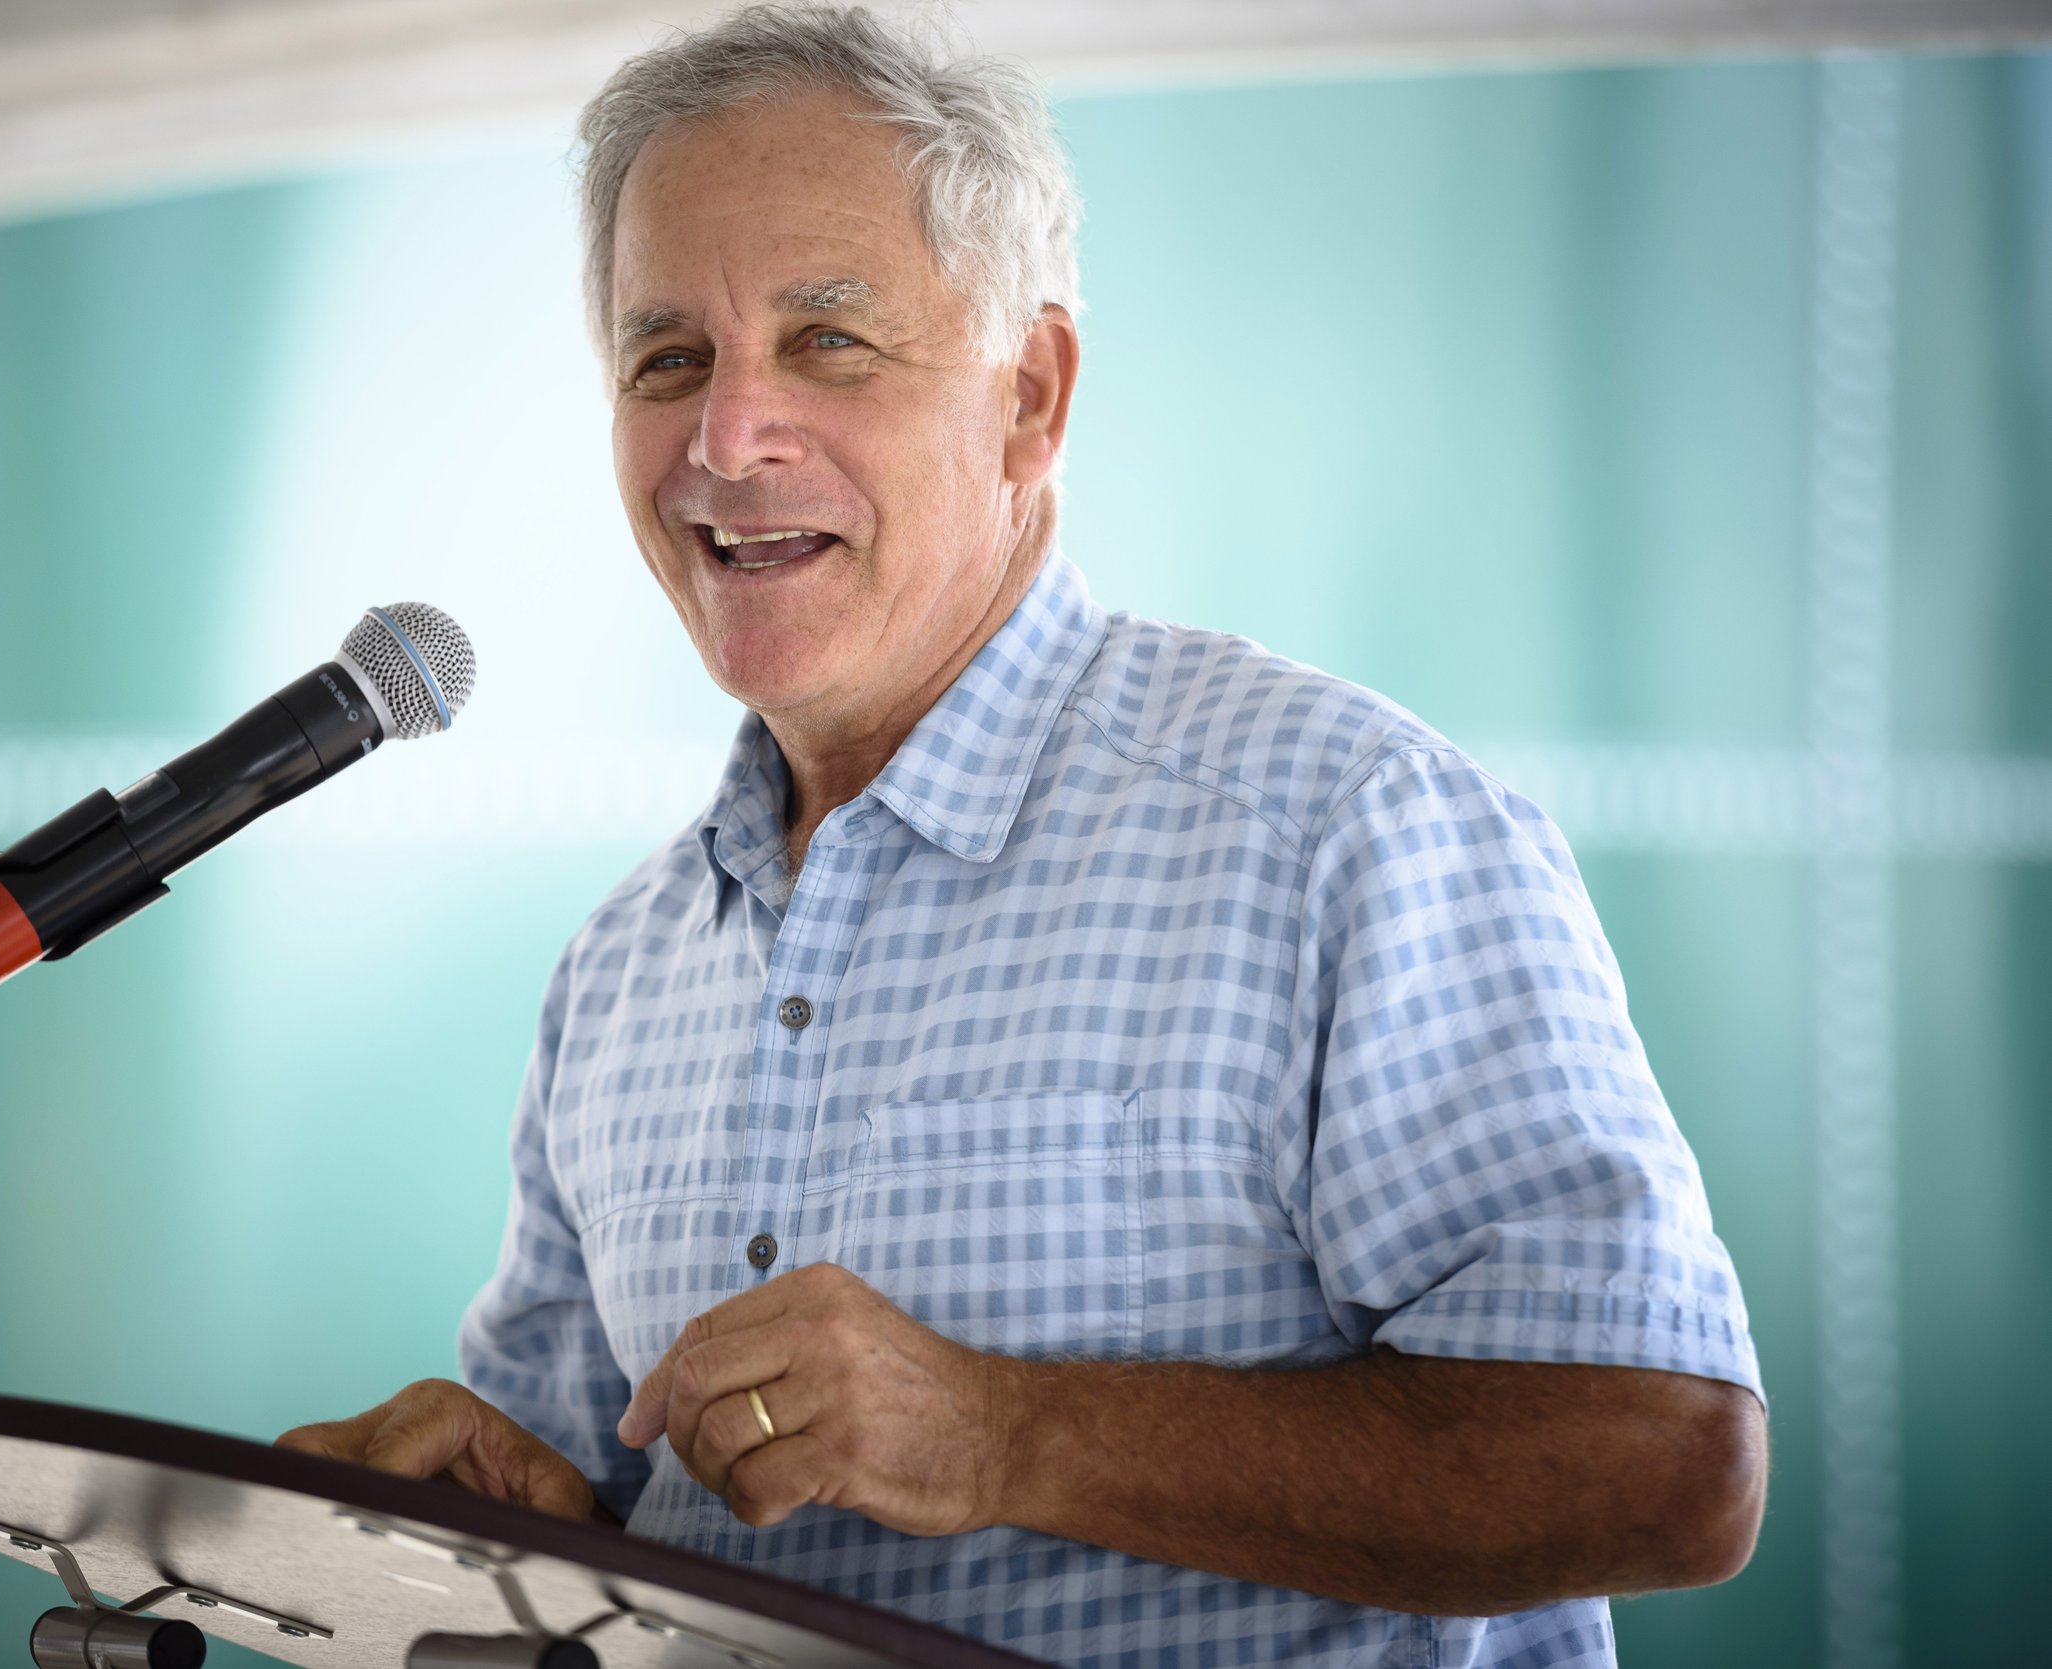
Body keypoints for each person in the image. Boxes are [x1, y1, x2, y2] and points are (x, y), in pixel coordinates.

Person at [280, 7, 1767, 1664]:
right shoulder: (620, 971)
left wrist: (1006, 1430)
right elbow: (618, 1544)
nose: (725, 438)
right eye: (669, 358)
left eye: (828, 341)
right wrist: (486, 1522)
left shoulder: (1341, 831)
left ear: (1030, 399)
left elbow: (1670, 1467)